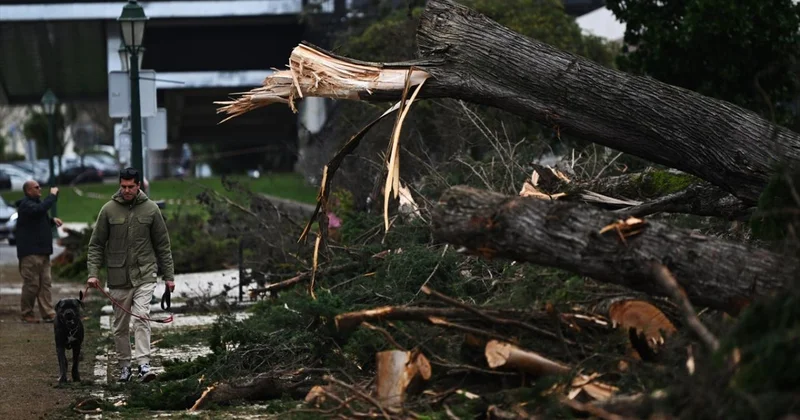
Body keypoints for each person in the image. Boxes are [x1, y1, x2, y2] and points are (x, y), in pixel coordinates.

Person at [86, 168, 175, 382]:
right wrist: (93, 273)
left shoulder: (151, 210)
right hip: (118, 278)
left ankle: (144, 364)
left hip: (145, 274)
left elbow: (163, 245)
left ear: (138, 186)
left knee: (142, 317)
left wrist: (169, 276)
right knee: (120, 325)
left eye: (130, 186)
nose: (126, 190)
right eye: (123, 186)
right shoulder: (108, 210)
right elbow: (96, 245)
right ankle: (124, 366)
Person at [15, 180, 62, 323]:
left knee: (45, 284)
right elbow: (38, 211)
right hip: (30, 253)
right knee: (32, 284)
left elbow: (39, 218)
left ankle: (48, 313)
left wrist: (51, 221)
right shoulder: (25, 205)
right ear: (29, 191)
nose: (39, 189)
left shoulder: (35, 205)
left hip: (43, 251)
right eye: (36, 187)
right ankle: (26, 313)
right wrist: (52, 197)